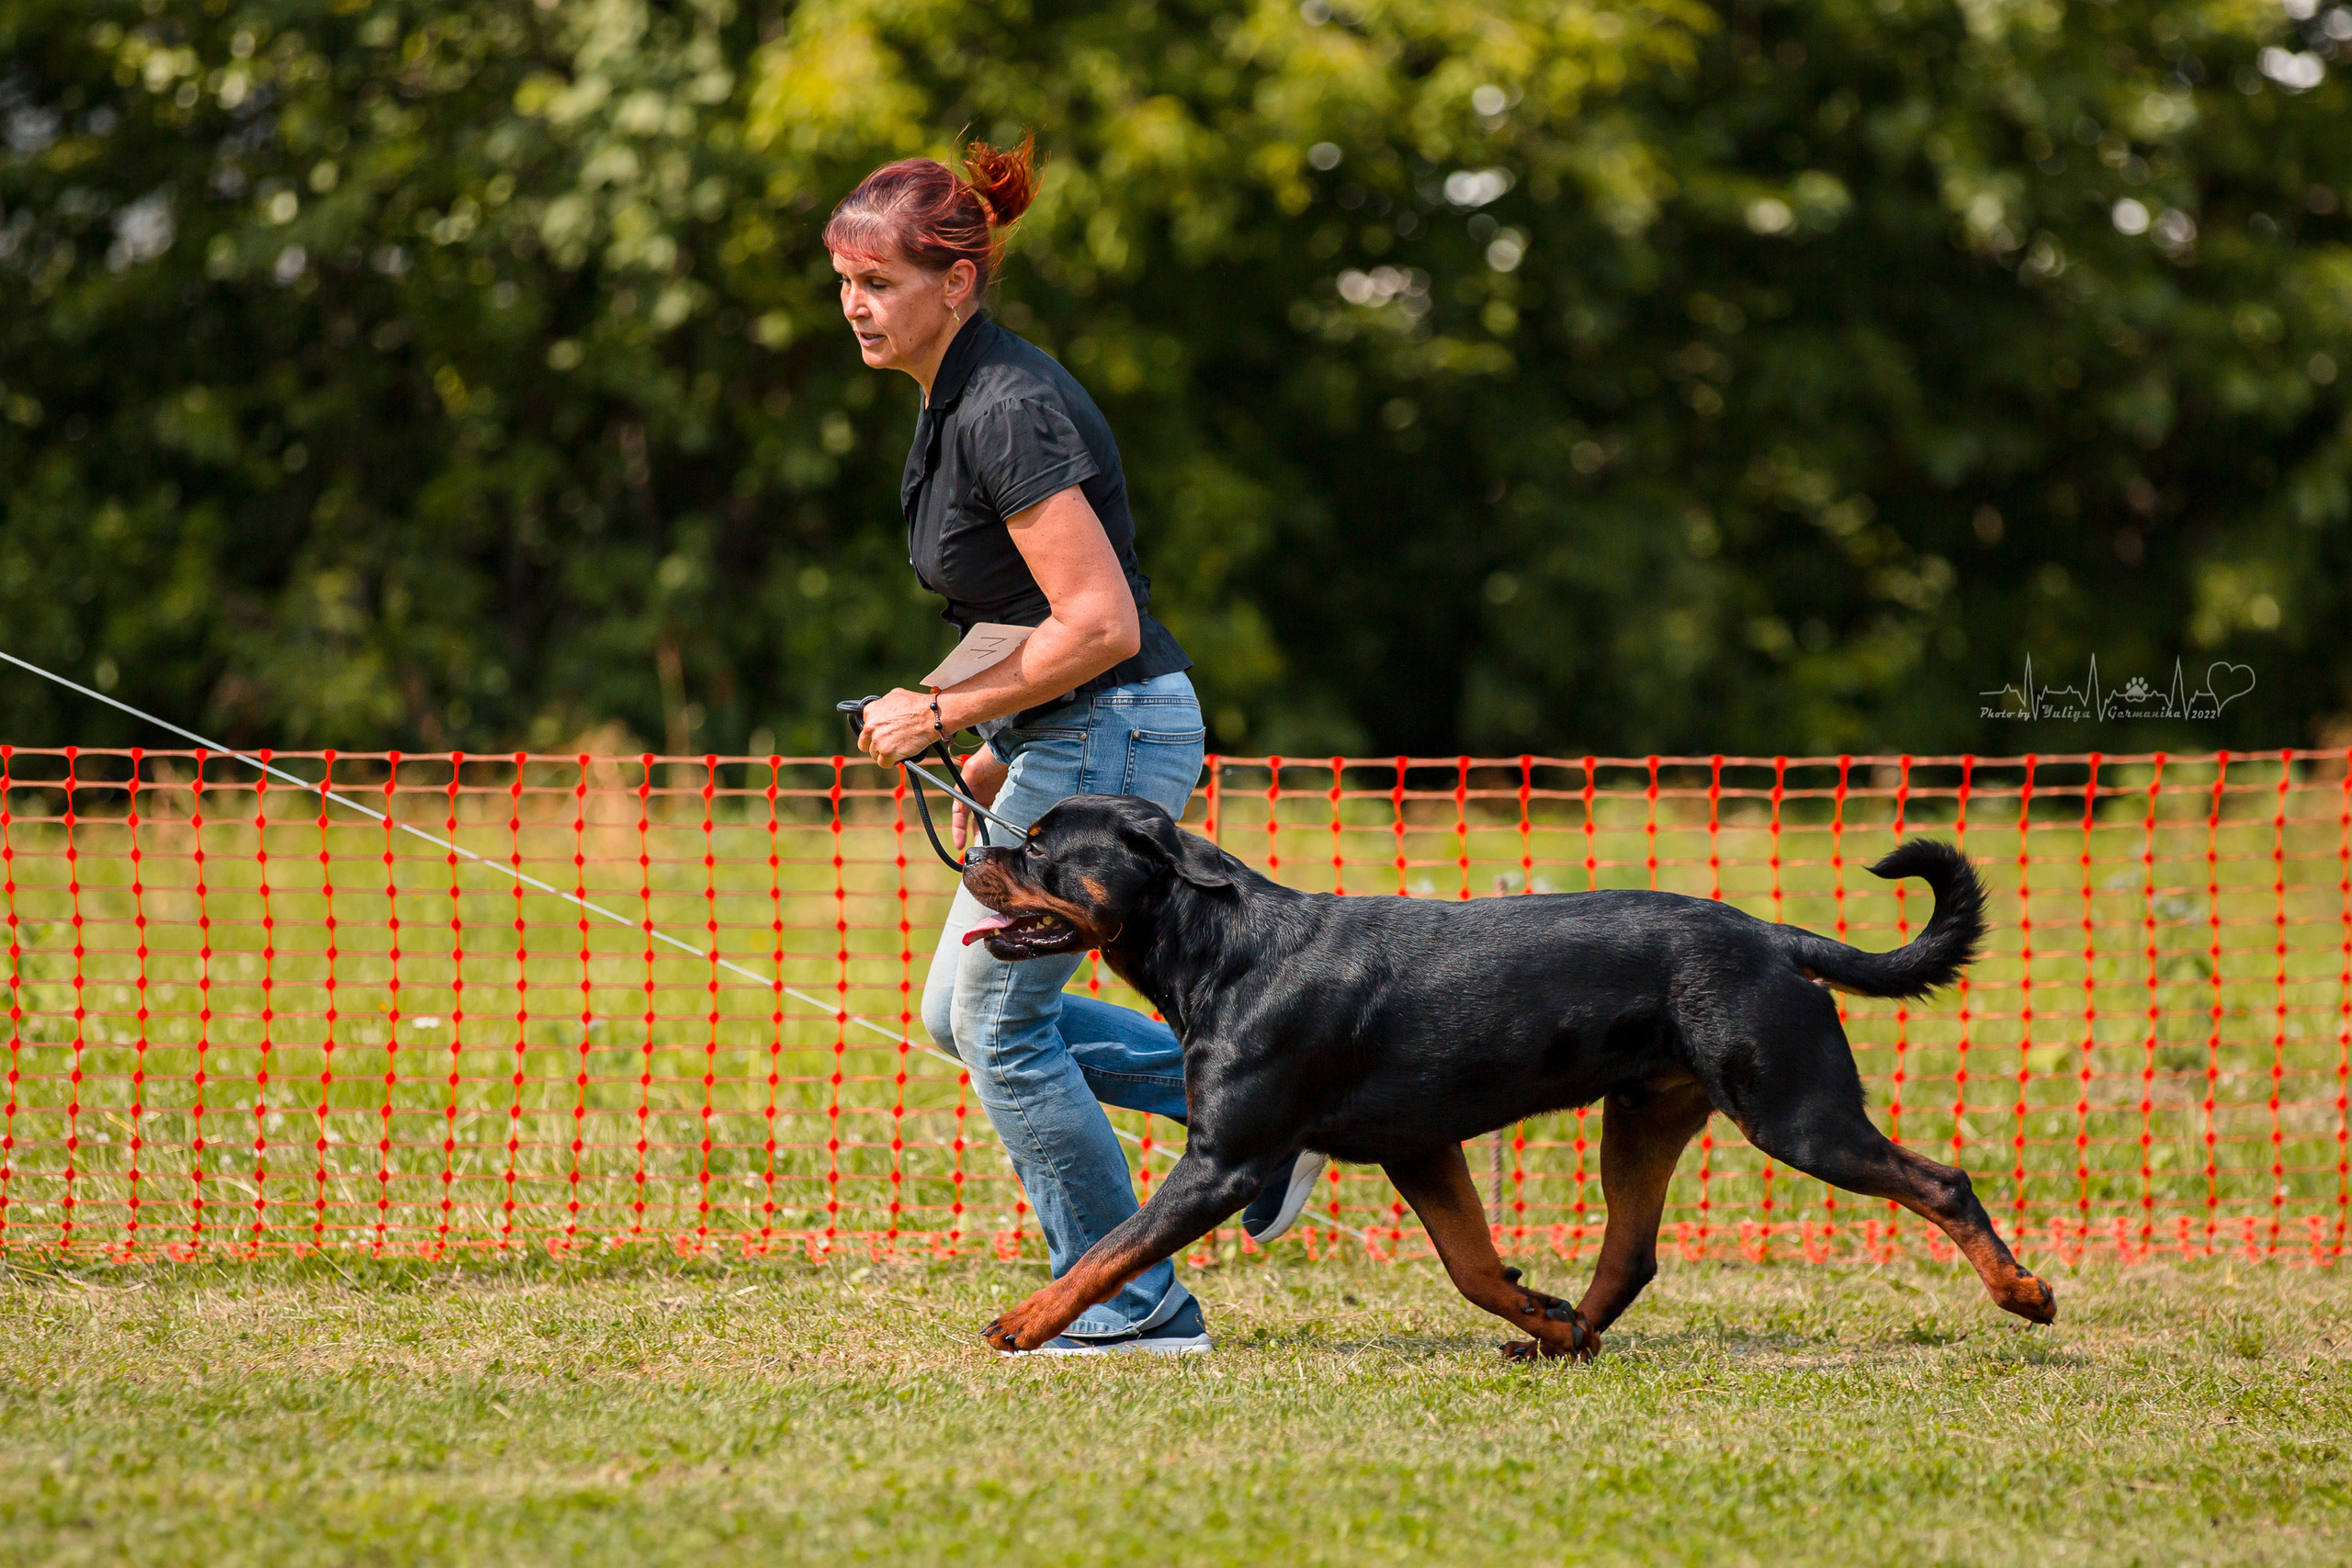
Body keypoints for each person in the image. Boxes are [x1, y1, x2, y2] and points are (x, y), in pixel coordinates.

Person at [831, 136, 1322, 1354]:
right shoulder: (955, 399)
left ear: (955, 282)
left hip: (1113, 730)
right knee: (962, 1015)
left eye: (878, 282)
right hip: (1067, 732)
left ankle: (1137, 1306)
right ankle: (1277, 1117)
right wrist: (998, 741)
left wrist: (939, 716)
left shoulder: (1005, 407)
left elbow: (1099, 623)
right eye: (842, 279)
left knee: (1003, 1028)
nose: (854, 304)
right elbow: (1032, 615)